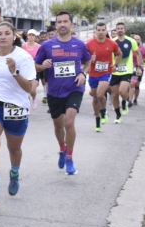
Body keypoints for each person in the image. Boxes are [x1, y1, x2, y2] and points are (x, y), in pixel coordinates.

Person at [0, 21, 36, 203]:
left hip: (16, 108)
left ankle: (14, 174)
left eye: (7, 34)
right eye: (0, 34)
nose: (3, 37)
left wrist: (14, 71)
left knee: (14, 149)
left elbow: (28, 88)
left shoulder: (24, 57)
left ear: (14, 36)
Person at [34, 11, 91, 175]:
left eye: (65, 21)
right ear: (56, 25)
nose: (62, 25)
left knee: (69, 123)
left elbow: (87, 61)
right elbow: (36, 65)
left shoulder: (80, 45)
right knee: (58, 126)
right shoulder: (47, 45)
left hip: (74, 88)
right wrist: (42, 65)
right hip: (54, 91)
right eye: (59, 22)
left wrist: (83, 73)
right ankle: (62, 148)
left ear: (72, 24)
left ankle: (70, 158)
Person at [86, 22, 122, 132]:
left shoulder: (112, 44)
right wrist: (89, 60)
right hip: (93, 74)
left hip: (106, 73)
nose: (101, 32)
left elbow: (119, 54)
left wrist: (115, 65)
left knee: (100, 94)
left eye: (103, 30)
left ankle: (103, 111)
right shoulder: (89, 44)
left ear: (106, 31)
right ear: (95, 32)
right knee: (95, 97)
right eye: (99, 30)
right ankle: (97, 119)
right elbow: (83, 59)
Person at [109, 22, 141, 123]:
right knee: (114, 95)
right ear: (116, 30)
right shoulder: (112, 41)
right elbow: (108, 55)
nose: (120, 30)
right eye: (118, 28)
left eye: (121, 28)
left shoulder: (131, 41)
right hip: (115, 71)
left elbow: (138, 53)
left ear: (125, 30)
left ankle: (124, 102)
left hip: (127, 70)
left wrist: (139, 67)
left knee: (122, 91)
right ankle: (118, 115)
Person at [23, 29, 41, 109]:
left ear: (35, 37)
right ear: (27, 36)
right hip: (25, 70)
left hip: (35, 70)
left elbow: (41, 57)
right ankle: (27, 106)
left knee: (32, 90)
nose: (31, 36)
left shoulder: (39, 46)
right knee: (26, 90)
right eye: (29, 35)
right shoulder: (23, 46)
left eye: (33, 35)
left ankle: (34, 98)